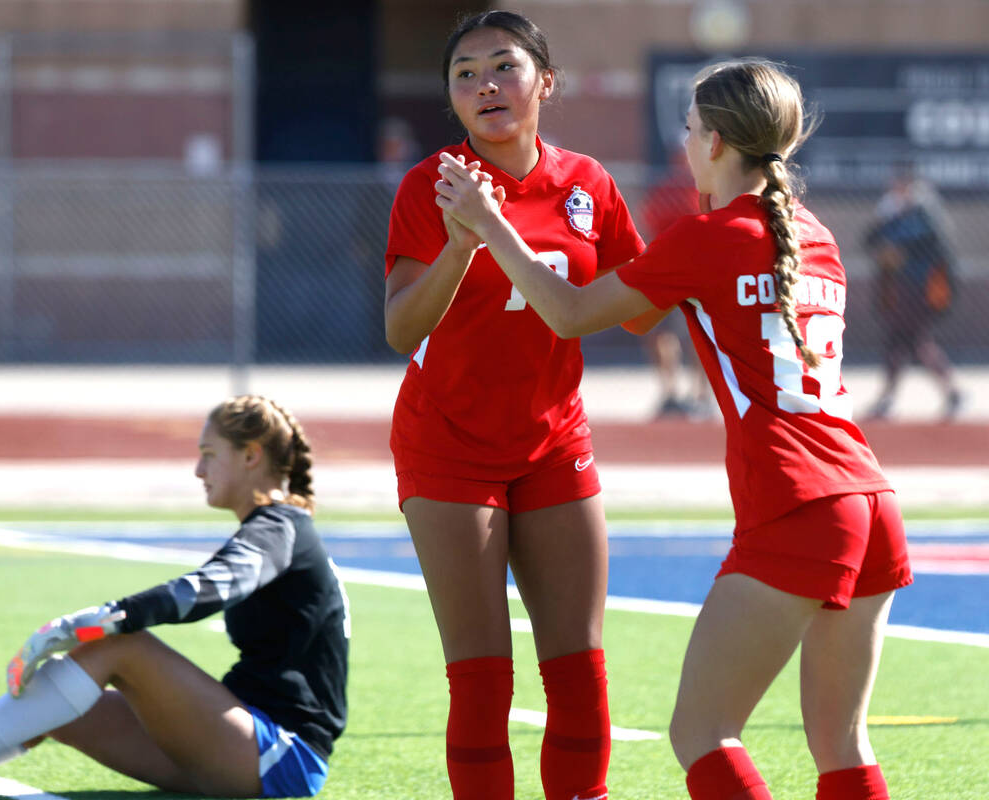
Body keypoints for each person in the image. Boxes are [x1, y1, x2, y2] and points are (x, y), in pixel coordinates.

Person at [436, 59, 911, 800]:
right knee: (841, 744)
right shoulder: (813, 234)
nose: (685, 145)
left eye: (690, 131)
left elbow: (568, 314)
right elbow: (651, 306)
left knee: (701, 733)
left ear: (717, 141)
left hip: (800, 501)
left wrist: (489, 223)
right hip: (872, 499)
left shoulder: (708, 236)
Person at [383, 10, 657, 800]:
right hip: (449, 443)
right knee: (482, 679)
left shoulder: (589, 184)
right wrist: (464, 243)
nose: (485, 85)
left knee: (578, 667)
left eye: (503, 66)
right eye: (464, 74)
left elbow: (639, 306)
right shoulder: (432, 184)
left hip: (553, 439)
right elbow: (402, 327)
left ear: (546, 81)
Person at [0, 395, 349, 798]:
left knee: (123, 646)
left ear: (252, 455)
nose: (198, 469)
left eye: (210, 454)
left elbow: (212, 587)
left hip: (282, 759)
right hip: (238, 743)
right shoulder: (275, 528)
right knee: (63, 707)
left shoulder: (279, 527)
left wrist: (103, 619)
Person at [863, 163, 963, 420]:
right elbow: (869, 240)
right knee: (901, 341)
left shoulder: (924, 211)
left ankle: (949, 392)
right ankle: (892, 397)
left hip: (921, 287)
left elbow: (933, 243)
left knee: (912, 341)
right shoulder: (891, 212)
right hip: (898, 288)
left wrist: (901, 249)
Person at [639, 149, 712, 419]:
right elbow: (649, 220)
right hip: (668, 270)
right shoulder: (670, 186)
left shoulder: (704, 188)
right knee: (663, 332)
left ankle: (700, 393)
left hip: (695, 270)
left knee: (699, 332)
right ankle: (671, 393)